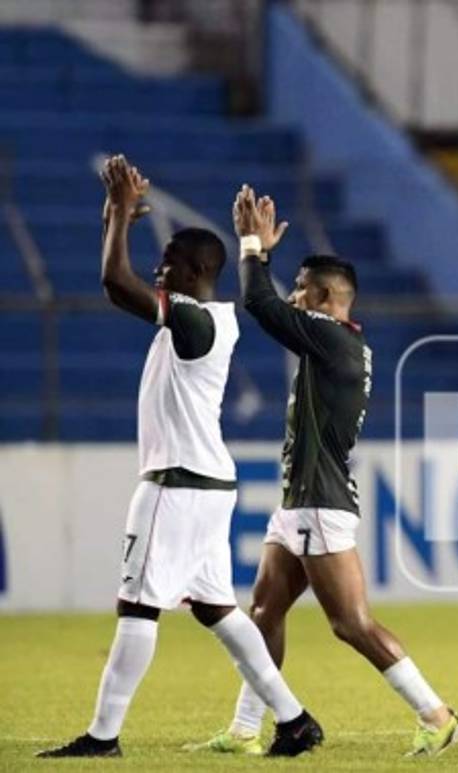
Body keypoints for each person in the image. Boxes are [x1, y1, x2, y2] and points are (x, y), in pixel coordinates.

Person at [38, 157, 322, 758]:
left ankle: (103, 736)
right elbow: (128, 279)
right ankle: (294, 720)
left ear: (197, 271)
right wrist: (114, 221)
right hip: (207, 485)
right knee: (218, 609)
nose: (157, 270)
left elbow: (116, 285)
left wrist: (118, 215)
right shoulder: (207, 320)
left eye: (167, 262)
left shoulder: (195, 321)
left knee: (137, 604)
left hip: (177, 486)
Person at [189, 185, 458, 757]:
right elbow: (273, 304)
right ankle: (245, 730)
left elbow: (261, 304)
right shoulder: (335, 343)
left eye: (299, 287)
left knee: (351, 624)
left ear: (321, 297)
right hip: (299, 502)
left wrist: (251, 246)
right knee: (264, 612)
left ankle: (436, 714)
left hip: (320, 502)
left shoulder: (332, 338)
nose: (292, 295)